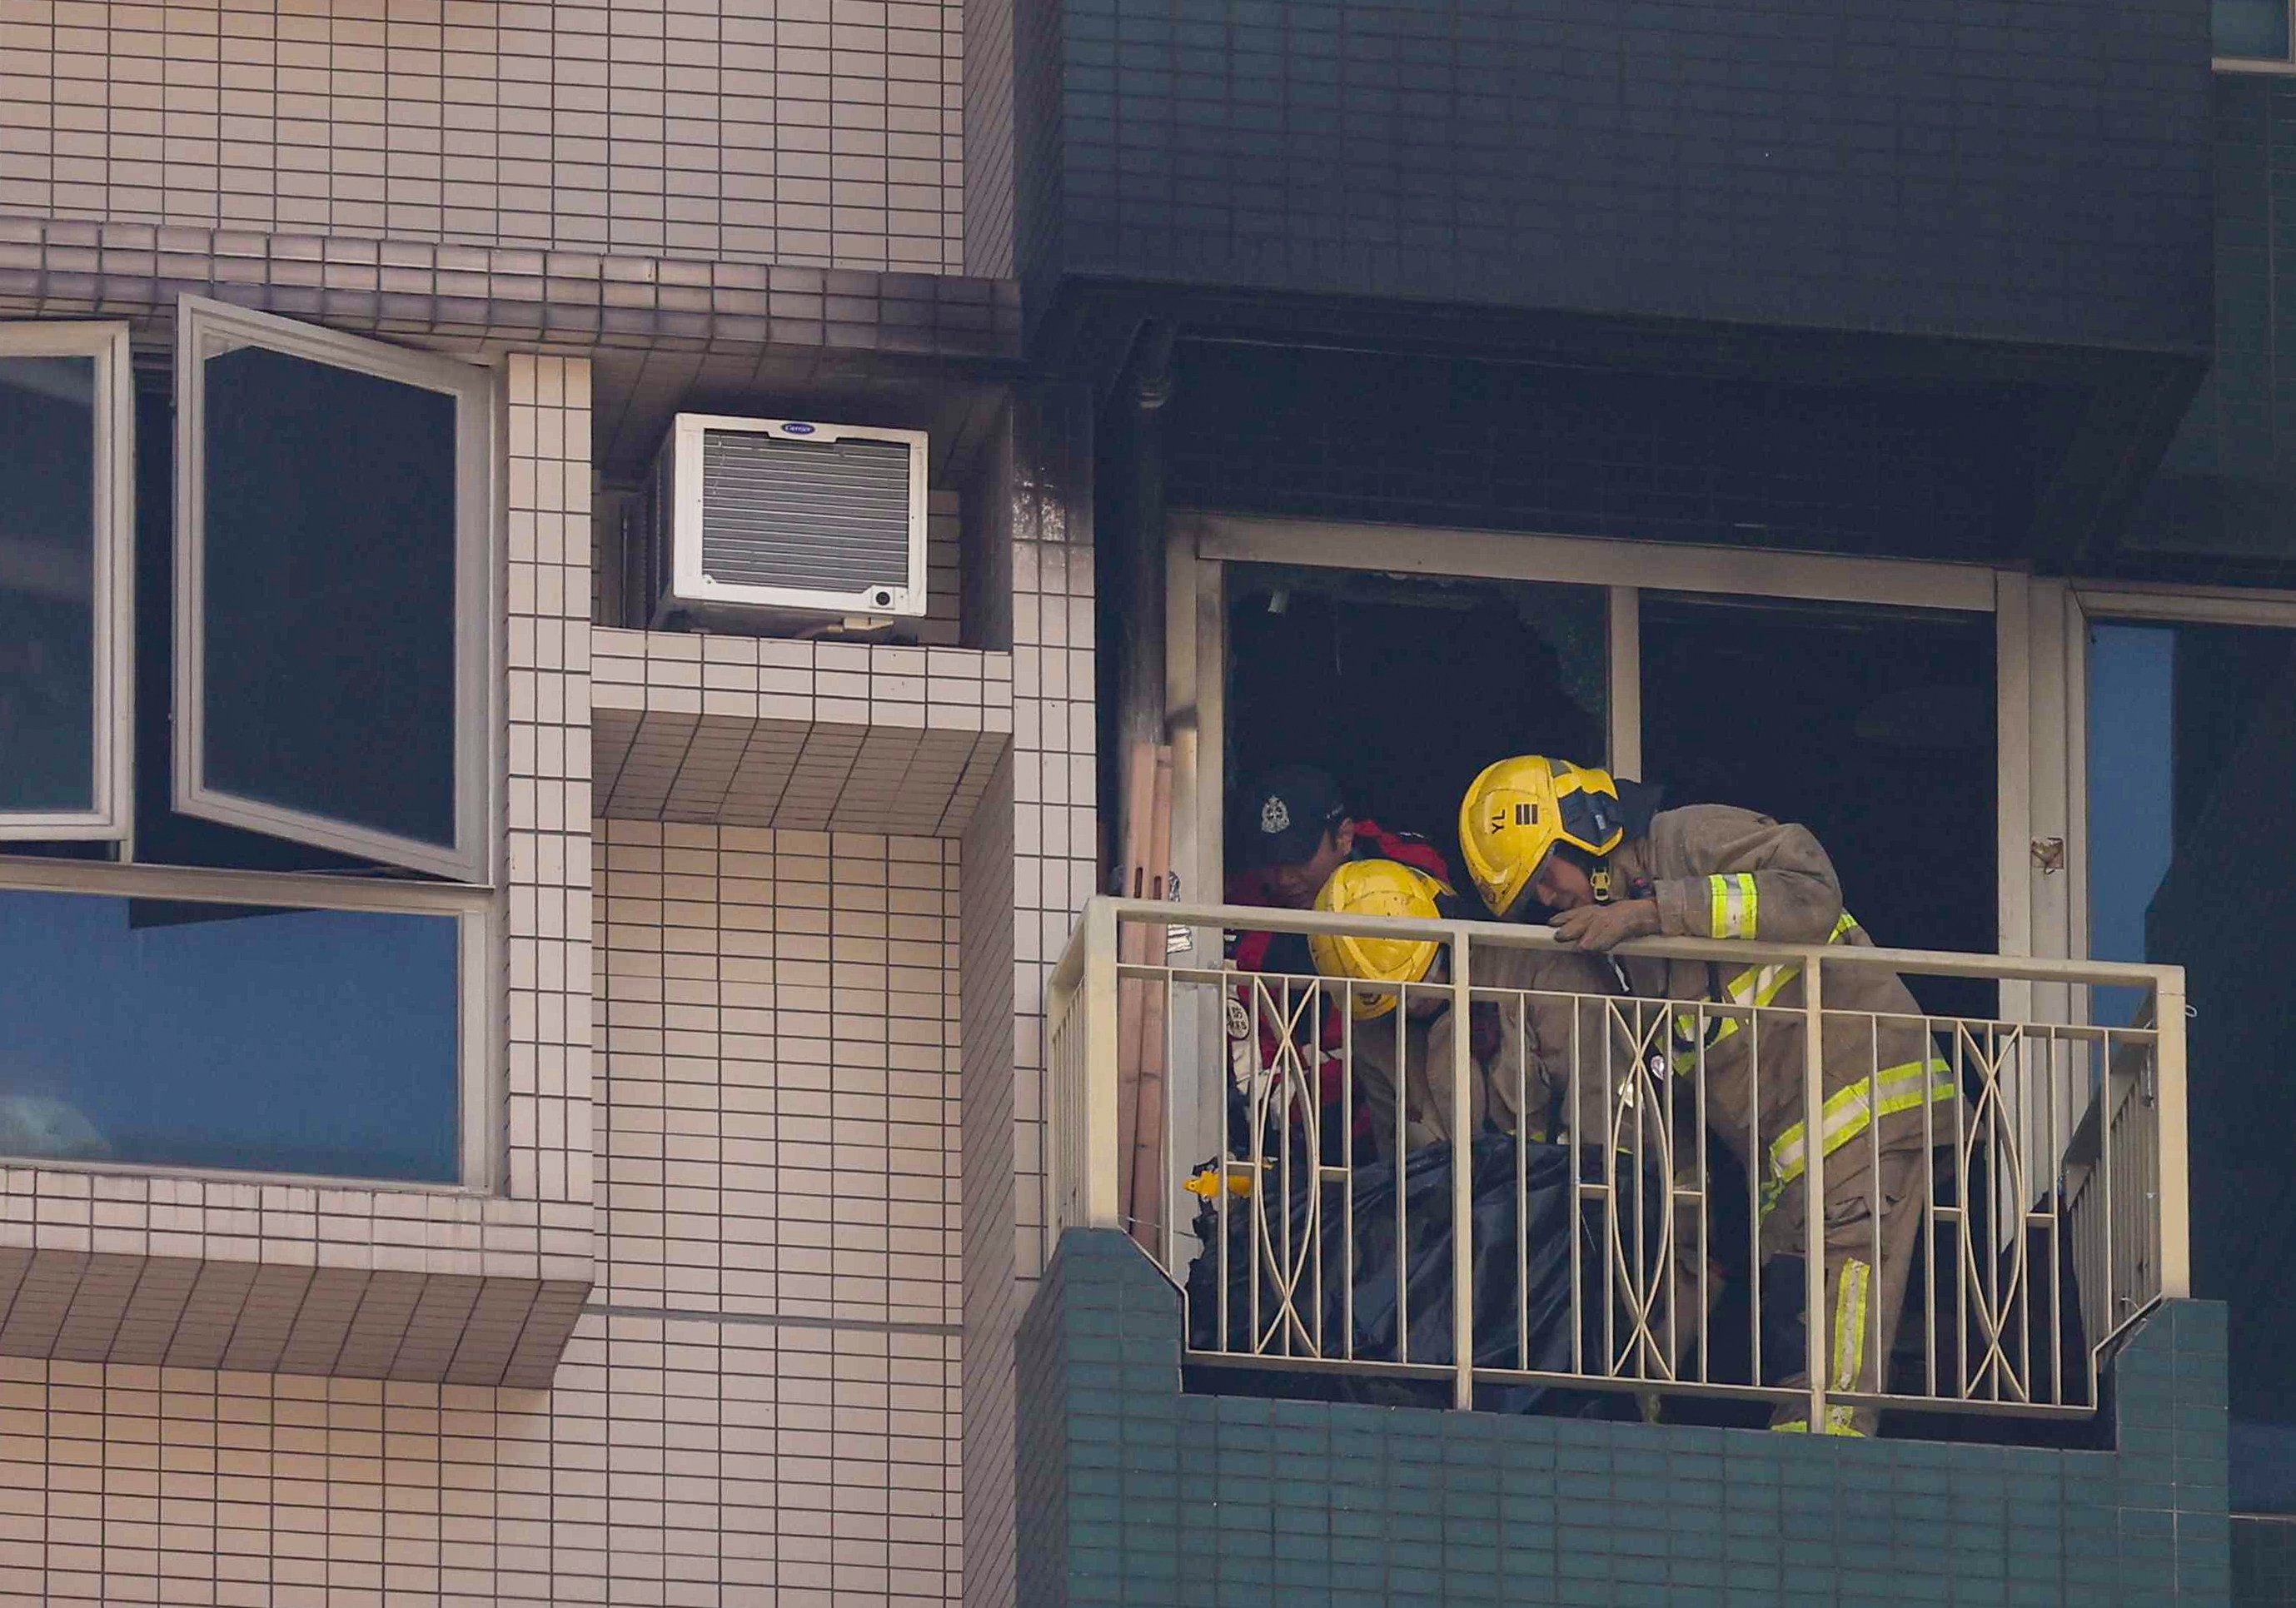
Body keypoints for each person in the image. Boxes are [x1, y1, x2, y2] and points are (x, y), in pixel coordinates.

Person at [1455, 754, 1957, 1436]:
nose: (1548, 898)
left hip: (1865, 1105)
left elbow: (1811, 889)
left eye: (1547, 874)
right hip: (1786, 1158)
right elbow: (1672, 1088)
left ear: (1589, 828)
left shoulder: (1686, 839)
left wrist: (1655, 909)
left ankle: (1825, 1483)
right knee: (1794, 1324)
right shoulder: (1628, 954)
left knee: (1838, 1329)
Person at [1223, 765, 1454, 1138]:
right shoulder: (1245, 911)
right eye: (1272, 861)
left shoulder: (1407, 872)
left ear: (1344, 837)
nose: (1284, 878)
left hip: (1415, 1093)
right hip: (1314, 1132)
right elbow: (1257, 1074)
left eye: (1298, 858)